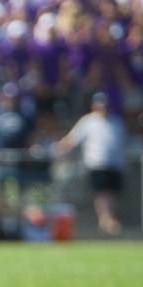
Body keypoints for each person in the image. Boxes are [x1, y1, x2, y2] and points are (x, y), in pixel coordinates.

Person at [53, 92, 126, 236]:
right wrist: (58, 148)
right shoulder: (88, 121)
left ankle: (108, 221)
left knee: (112, 193)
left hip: (115, 164)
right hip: (97, 163)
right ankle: (106, 220)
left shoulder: (116, 122)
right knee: (102, 193)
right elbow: (72, 139)